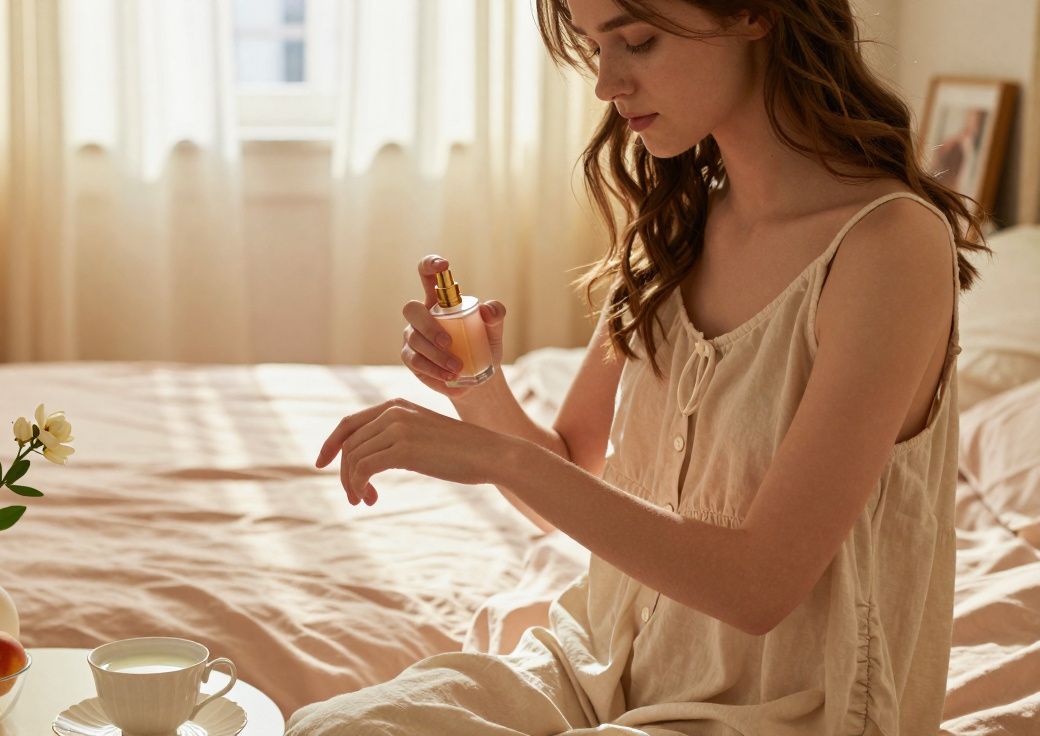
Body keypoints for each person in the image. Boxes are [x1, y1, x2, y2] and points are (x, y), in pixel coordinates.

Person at [292, 0, 990, 733]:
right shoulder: (676, 226)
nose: (606, 84)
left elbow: (760, 586)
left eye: (638, 42)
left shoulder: (889, 245)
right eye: (597, 47)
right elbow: (569, 473)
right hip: (600, 666)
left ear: (755, 14)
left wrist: (496, 457)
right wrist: (478, 389)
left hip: (774, 712)